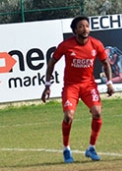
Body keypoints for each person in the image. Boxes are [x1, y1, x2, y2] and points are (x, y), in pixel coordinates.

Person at [41, 16, 114, 163]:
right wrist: (47, 85)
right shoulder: (66, 45)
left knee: (97, 113)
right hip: (71, 86)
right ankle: (66, 149)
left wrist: (109, 83)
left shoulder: (96, 44)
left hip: (89, 85)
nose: (85, 29)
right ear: (75, 30)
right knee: (68, 116)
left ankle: (91, 148)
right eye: (81, 26)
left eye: (87, 26)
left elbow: (106, 63)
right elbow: (52, 62)